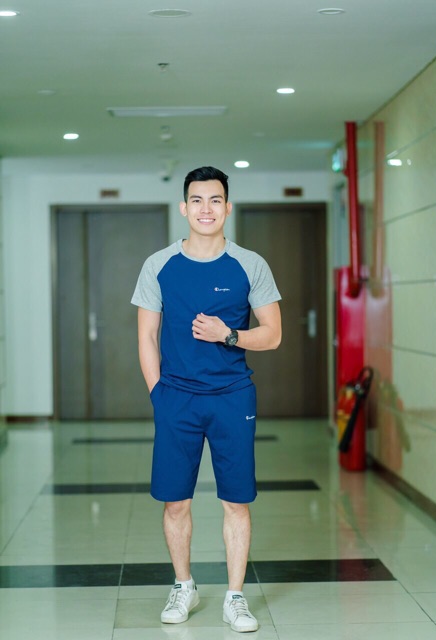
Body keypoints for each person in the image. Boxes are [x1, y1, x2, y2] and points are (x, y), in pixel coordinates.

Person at [131, 166, 282, 633]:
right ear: (184, 207)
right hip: (176, 398)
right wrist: (158, 394)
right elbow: (147, 335)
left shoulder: (250, 265)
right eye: (197, 200)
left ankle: (235, 597)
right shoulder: (158, 265)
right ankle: (184, 585)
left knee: (236, 501)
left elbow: (273, 335)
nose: (206, 209)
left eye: (215, 200)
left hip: (233, 397)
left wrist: (228, 334)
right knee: (175, 501)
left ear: (227, 207)